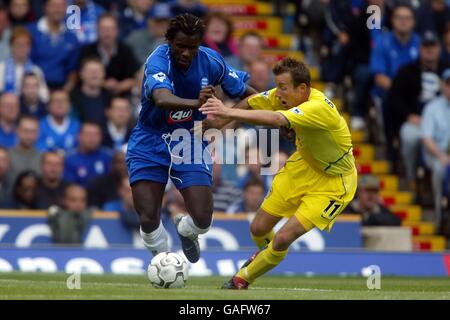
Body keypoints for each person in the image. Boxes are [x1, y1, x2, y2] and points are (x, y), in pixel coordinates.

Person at [199, 57, 357, 289]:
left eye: (283, 87)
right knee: (258, 228)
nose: (278, 92)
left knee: (283, 237)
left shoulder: (319, 107)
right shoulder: (283, 95)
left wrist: (225, 110)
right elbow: (253, 102)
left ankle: (242, 279)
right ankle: (269, 254)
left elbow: (275, 118)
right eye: (277, 85)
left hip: (333, 183)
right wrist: (221, 123)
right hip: (303, 167)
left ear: (302, 89)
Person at [126, 13, 256, 263]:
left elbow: (248, 94)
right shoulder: (157, 60)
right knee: (148, 217)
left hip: (189, 140)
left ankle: (186, 231)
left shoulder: (210, 61)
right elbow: (162, 99)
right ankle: (164, 262)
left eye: (192, 48)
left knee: (203, 218)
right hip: (150, 139)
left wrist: (228, 118)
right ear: (169, 42)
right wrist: (196, 102)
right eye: (180, 47)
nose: (186, 53)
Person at [386, 31, 446, 184]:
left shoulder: (446, 72)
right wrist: (408, 116)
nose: (429, 50)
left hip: (442, 122)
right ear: (420, 49)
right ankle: (411, 177)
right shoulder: (407, 71)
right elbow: (394, 99)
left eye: (433, 46)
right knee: (409, 137)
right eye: (426, 46)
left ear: (439, 48)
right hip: (415, 121)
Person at [78, 13, 140, 97]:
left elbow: (135, 77)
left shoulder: (126, 51)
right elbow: (80, 76)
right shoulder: (87, 51)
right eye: (103, 29)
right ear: (97, 30)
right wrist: (103, 83)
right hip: (92, 96)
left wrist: (119, 86)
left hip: (122, 98)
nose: (107, 33)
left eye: (111, 29)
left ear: (117, 31)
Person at [421, 68, 450, 231]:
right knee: (441, 169)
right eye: (448, 84)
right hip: (437, 155)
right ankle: (441, 219)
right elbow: (426, 138)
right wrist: (442, 155)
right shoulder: (432, 107)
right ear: (443, 86)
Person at [28, 0, 79, 91]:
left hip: (61, 89)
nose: (58, 10)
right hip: (33, 88)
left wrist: (65, 91)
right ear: (45, 8)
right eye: (54, 6)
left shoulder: (71, 37)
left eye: (61, 6)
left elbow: (73, 70)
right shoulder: (30, 32)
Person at [0, 27, 49, 101]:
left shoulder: (36, 71)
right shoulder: (1, 68)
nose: (22, 48)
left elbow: (44, 98)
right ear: (11, 46)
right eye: (18, 44)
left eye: (26, 45)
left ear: (30, 47)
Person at [64, 122, 113, 187]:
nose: (92, 138)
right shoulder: (69, 159)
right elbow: (69, 186)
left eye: (96, 135)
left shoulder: (108, 156)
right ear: (79, 136)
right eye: (88, 134)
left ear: (101, 137)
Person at [70, 57, 111, 126]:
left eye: (98, 71)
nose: (94, 74)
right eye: (90, 71)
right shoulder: (70, 98)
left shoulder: (111, 99)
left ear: (104, 74)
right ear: (81, 74)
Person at [8, 115, 41, 183]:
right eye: (26, 131)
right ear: (17, 131)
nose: (29, 136)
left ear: (38, 134)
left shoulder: (43, 158)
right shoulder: (7, 156)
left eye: (33, 131)